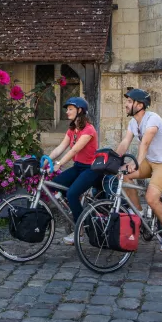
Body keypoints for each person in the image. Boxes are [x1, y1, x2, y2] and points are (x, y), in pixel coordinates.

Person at [115, 88, 162, 252]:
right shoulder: (133, 122)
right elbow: (125, 142)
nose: (126, 104)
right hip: (150, 162)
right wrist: (113, 159)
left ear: (139, 105)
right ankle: (137, 212)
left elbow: (145, 143)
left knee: (151, 197)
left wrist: (136, 163)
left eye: (129, 102)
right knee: (123, 175)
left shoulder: (153, 119)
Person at [47, 96, 100, 245]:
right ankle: (76, 209)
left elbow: (74, 150)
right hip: (78, 167)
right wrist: (47, 160)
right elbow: (61, 147)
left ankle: (80, 229)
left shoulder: (89, 130)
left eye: (70, 109)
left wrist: (59, 163)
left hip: (91, 169)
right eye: (67, 109)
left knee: (72, 193)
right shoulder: (72, 130)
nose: (67, 112)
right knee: (54, 184)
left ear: (80, 110)